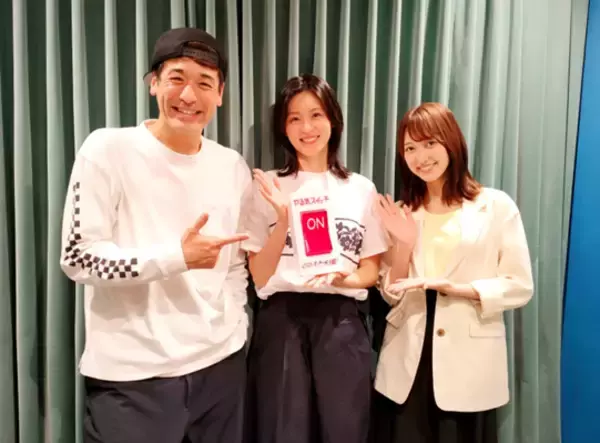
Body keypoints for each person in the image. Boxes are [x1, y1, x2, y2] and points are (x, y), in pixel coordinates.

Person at [60, 27, 251, 443]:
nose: (189, 95)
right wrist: (175, 257)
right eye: (176, 78)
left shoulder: (231, 166)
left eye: (205, 83)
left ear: (220, 94)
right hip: (132, 379)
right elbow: (77, 257)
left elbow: (236, 265)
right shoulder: (107, 149)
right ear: (153, 84)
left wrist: (233, 322)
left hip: (221, 368)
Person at [370, 102, 534, 443]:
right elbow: (389, 293)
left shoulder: (495, 206)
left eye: (430, 143)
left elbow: (520, 285)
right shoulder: (402, 212)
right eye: (410, 148)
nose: (420, 157)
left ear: (452, 142)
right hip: (408, 358)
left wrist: (455, 288)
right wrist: (404, 244)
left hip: (468, 362)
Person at [242, 74, 389, 443]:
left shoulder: (360, 188)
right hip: (280, 321)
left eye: (316, 115)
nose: (306, 128)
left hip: (342, 321)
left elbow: (371, 270)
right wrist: (283, 220)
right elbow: (259, 275)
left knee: (344, 429)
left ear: (333, 120)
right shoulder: (268, 185)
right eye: (294, 118)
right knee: (282, 430)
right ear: (283, 128)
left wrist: (343, 278)